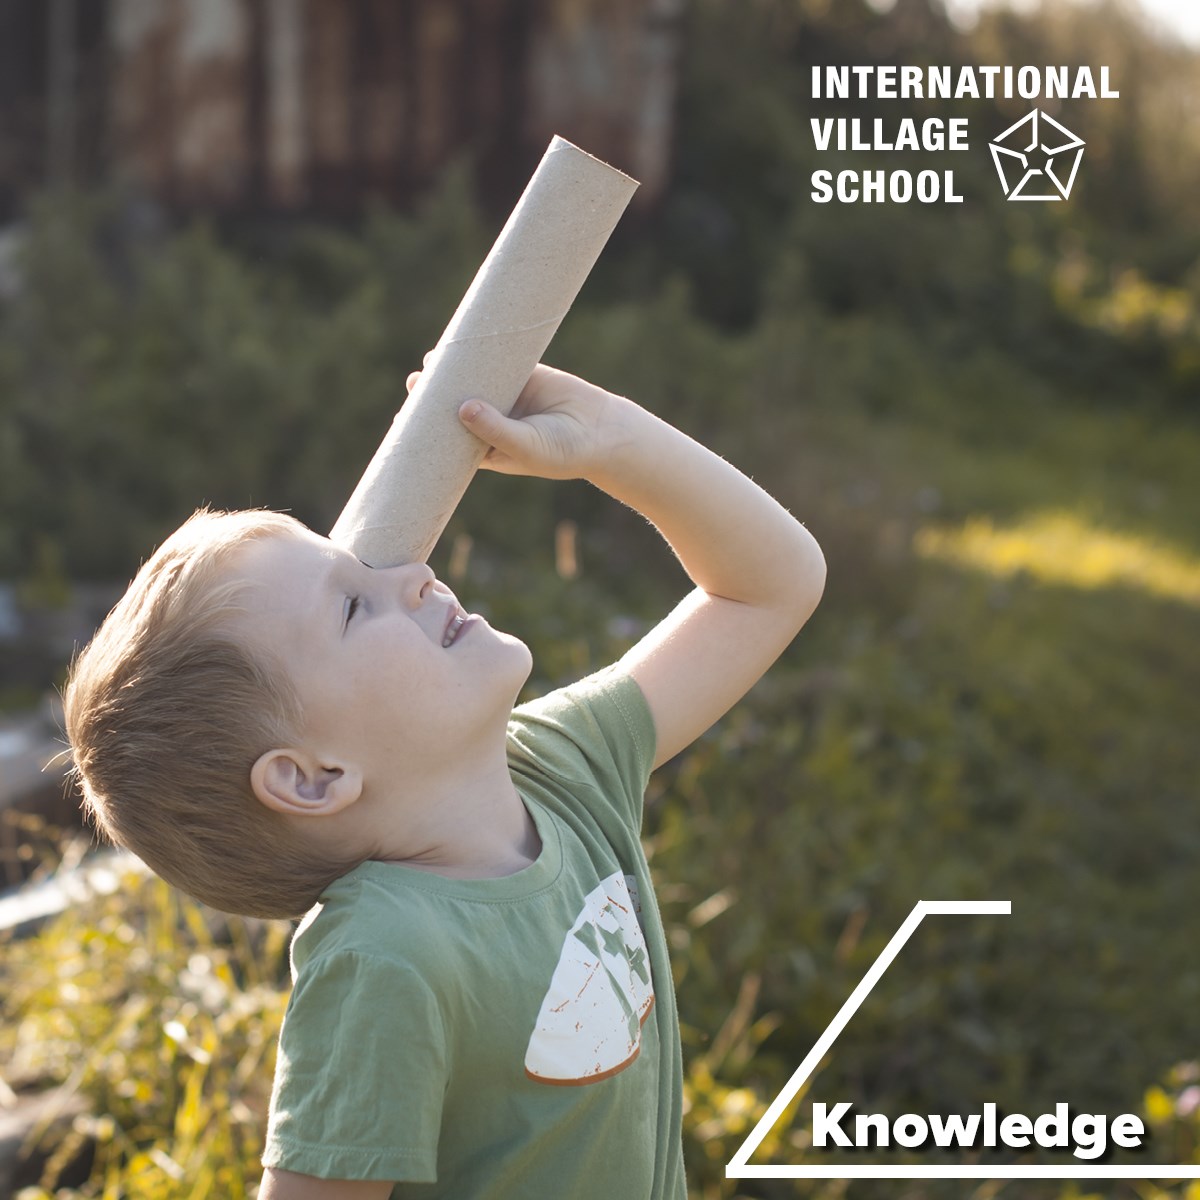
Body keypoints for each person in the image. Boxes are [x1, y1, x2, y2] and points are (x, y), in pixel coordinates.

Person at [64, 362, 826, 1198]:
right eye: (354, 605)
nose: (413, 573)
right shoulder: (386, 956)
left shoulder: (562, 767)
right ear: (314, 778)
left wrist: (610, 438)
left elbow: (773, 584)